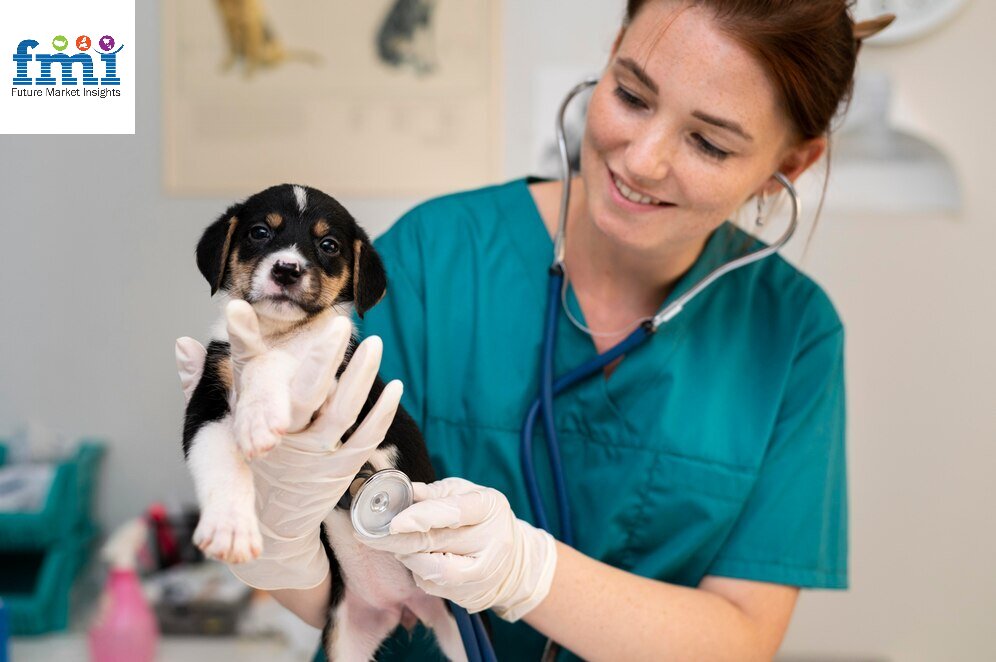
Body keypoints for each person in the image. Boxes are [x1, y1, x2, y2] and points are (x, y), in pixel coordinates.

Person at [178, 1, 893, 659]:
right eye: (632, 95)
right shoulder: (435, 255)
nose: (642, 159)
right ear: (610, 54)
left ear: (788, 164)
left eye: (708, 142)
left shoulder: (792, 334)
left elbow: (740, 638)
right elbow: (326, 591)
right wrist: (281, 541)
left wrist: (530, 572)